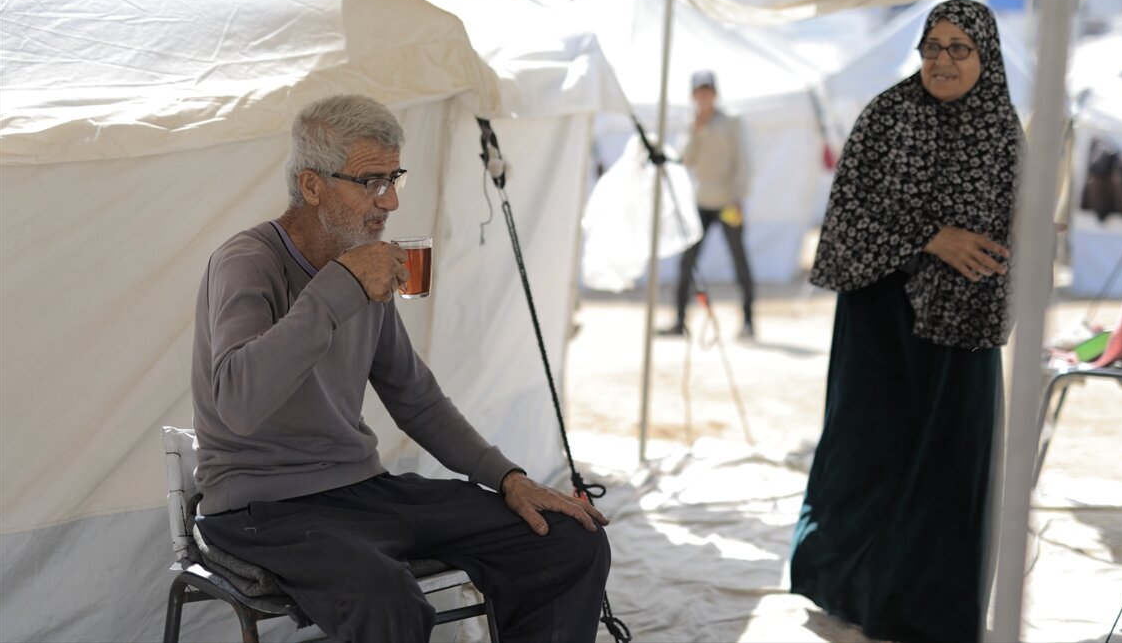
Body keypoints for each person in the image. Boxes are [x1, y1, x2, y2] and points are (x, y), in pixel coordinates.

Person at [191, 94, 610, 642]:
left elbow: (418, 401)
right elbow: (238, 404)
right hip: (261, 508)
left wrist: (509, 478)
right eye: (370, 181)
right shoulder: (249, 262)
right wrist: (341, 286)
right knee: (389, 601)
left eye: (393, 179)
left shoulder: (363, 263)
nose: (388, 202)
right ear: (312, 186)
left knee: (567, 540)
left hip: (362, 490)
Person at [788, 0, 1022, 643]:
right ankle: (851, 589)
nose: (943, 60)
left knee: (952, 462)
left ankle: (929, 609)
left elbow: (1013, 223)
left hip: (964, 322)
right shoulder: (886, 117)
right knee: (869, 455)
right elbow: (845, 220)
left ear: (985, 56)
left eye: (959, 48)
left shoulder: (1003, 130)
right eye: (933, 46)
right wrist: (931, 237)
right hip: (880, 317)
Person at [661, 70, 756, 339]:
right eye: (699, 93)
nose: (704, 98)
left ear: (714, 94)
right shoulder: (690, 124)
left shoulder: (731, 121)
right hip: (701, 201)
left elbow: (742, 160)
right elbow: (684, 160)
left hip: (727, 201)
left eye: (708, 92)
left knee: (739, 260)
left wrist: (738, 196)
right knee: (687, 262)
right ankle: (680, 320)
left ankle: (749, 320)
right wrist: (697, 129)